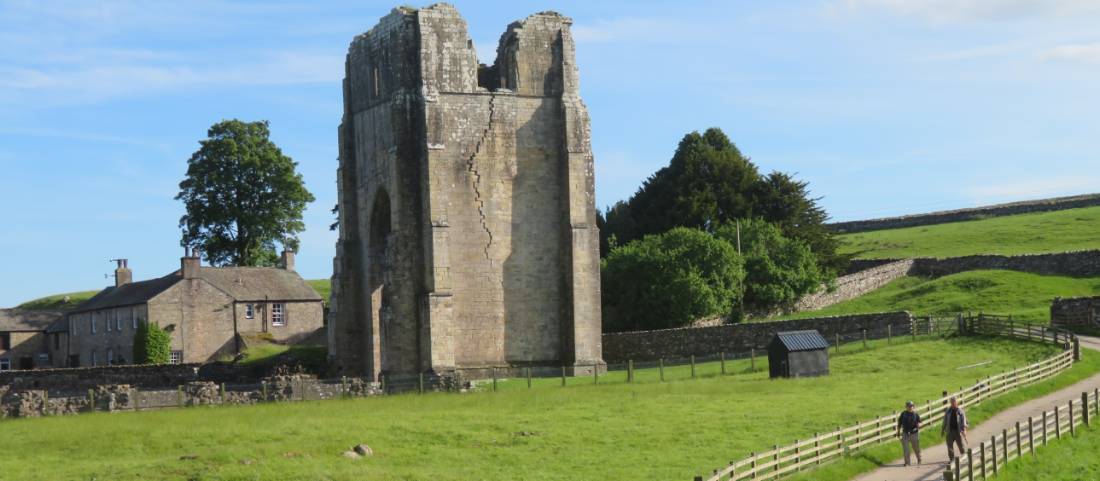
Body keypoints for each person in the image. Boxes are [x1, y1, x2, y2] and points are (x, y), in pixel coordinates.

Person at [941, 396, 969, 463]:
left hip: (958, 431)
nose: (953, 403)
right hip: (949, 431)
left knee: (961, 446)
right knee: (949, 447)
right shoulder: (948, 411)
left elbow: (964, 421)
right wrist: (942, 429)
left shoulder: (960, 411)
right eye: (952, 402)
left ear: (957, 402)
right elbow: (945, 420)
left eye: (954, 402)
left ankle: (964, 458)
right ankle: (952, 460)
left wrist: (964, 430)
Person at [896, 401, 922, 466]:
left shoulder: (915, 414)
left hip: (914, 433)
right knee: (906, 449)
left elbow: (920, 422)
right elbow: (899, 423)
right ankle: (907, 462)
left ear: (913, 407)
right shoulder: (903, 414)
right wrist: (898, 432)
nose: (910, 407)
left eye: (911, 406)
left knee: (916, 448)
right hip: (905, 433)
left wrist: (919, 425)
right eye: (909, 406)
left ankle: (919, 459)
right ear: (906, 407)